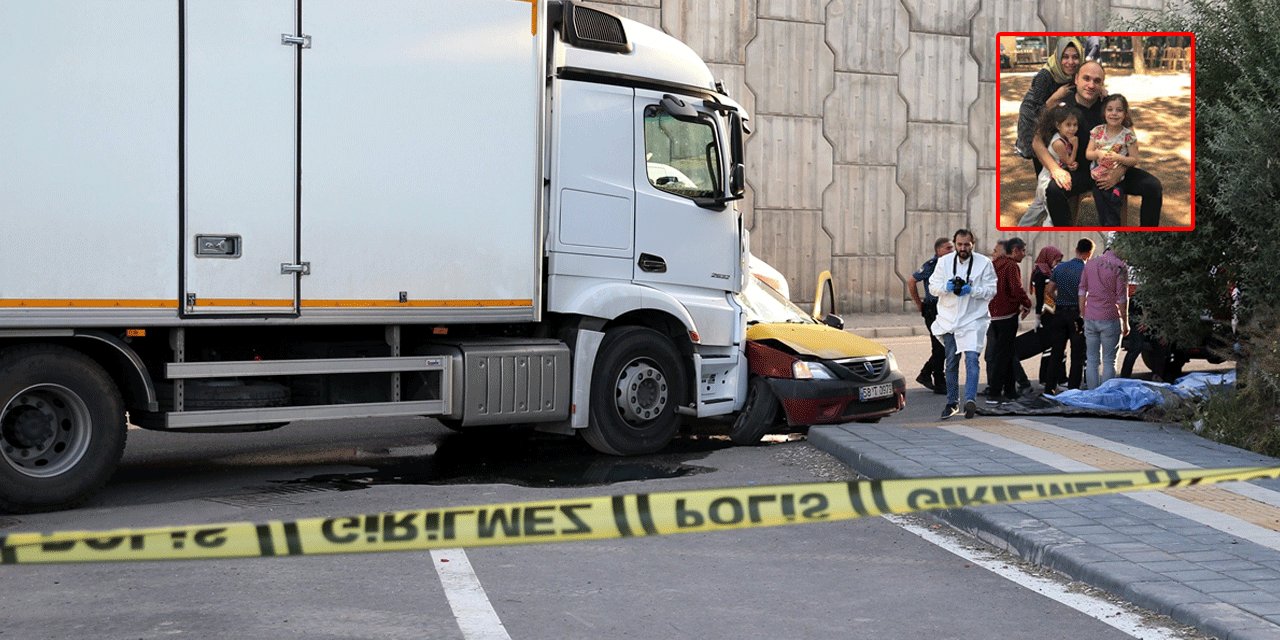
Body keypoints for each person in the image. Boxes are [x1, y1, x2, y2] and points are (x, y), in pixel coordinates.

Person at [1034, 61, 1163, 227]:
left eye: (1097, 81)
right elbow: (1037, 142)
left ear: (1102, 83)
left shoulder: (1110, 106)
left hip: (1112, 168)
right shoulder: (1063, 106)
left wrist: (1119, 171)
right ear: (1076, 79)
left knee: (1153, 187)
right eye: (1086, 79)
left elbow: (1131, 140)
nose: (1091, 85)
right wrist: (1055, 169)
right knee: (1053, 190)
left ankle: (1149, 234)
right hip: (1080, 171)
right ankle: (1064, 229)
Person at [929, 229, 997, 420]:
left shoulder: (984, 263)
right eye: (959, 244)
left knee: (972, 359)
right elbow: (932, 287)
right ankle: (952, 402)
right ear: (955, 243)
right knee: (951, 362)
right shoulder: (944, 262)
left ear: (972, 244)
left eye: (966, 244)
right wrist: (946, 288)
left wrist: (972, 290)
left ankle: (970, 400)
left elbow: (992, 290)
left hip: (974, 318)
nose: (963, 248)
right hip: (949, 319)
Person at [1015, 37, 1083, 166]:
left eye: (1075, 57)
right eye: (1065, 57)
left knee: (1056, 150)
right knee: (1040, 152)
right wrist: (1055, 97)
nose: (1070, 62)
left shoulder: (1076, 72)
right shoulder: (1044, 76)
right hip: (1034, 114)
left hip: (1054, 114)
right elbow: (1037, 110)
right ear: (1058, 57)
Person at [1043, 238, 1092, 393]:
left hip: (1059, 313)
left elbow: (1049, 290)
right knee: (1077, 355)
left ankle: (1049, 387)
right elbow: (1086, 295)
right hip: (1077, 315)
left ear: (1076, 249)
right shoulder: (1087, 270)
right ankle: (1073, 389)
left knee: (1056, 352)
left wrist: (1059, 301)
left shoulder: (1060, 268)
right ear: (1089, 253)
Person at [986, 237, 1033, 401]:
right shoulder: (1011, 266)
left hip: (994, 315)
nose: (1024, 254)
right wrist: (1027, 303)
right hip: (1007, 315)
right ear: (1015, 251)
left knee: (1006, 352)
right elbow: (1016, 288)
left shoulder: (995, 265)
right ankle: (994, 393)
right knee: (1003, 355)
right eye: (1023, 251)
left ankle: (1010, 391)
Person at [1018, 104, 1080, 227]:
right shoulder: (1059, 143)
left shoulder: (1062, 138)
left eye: (1075, 125)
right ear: (1058, 126)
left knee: (1037, 207)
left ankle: (1022, 226)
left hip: (1045, 176)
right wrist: (1076, 146)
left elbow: (1068, 162)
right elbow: (1068, 160)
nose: (1072, 129)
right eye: (1068, 125)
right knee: (1052, 214)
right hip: (1049, 179)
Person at [1079, 240, 1129, 389]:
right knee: (1109, 361)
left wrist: (1083, 312)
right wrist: (1125, 322)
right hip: (1110, 317)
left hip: (1090, 316)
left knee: (1092, 359)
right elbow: (1122, 298)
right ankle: (1106, 395)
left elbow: (1082, 290)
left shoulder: (1090, 264)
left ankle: (1093, 393)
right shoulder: (1120, 267)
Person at [1086, 94, 1140, 227]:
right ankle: (1106, 224)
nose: (1114, 113)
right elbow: (1088, 154)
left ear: (1125, 114)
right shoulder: (1097, 131)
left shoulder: (1128, 135)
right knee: (1102, 203)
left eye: (1119, 110)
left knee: (1114, 202)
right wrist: (1098, 153)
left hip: (1118, 177)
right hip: (1098, 176)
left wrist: (1119, 158)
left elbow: (1134, 160)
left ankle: (1113, 225)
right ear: (1104, 113)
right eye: (1110, 110)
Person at [908, 237, 953, 394]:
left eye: (951, 248)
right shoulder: (931, 265)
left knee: (946, 345)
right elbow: (912, 281)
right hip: (933, 309)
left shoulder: (952, 264)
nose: (951, 250)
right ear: (938, 250)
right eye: (948, 248)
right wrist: (919, 303)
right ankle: (939, 381)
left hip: (947, 308)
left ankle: (926, 373)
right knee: (939, 345)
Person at [1030, 245, 1064, 385]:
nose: (1057, 263)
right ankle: (1049, 378)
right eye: (1056, 260)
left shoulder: (1048, 272)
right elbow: (1039, 298)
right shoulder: (1041, 274)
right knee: (1052, 348)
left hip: (1052, 312)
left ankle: (1051, 378)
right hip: (1047, 313)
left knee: (1053, 348)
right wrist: (1037, 318)